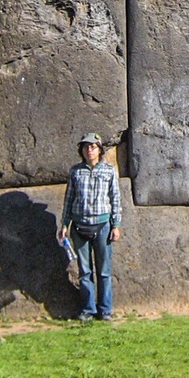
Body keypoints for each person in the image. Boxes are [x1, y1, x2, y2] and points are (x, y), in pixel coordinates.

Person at [59, 132, 122, 321]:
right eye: (86, 147)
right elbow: (69, 198)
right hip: (80, 225)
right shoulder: (76, 171)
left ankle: (105, 310)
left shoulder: (109, 171)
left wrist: (116, 224)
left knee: (104, 271)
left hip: (102, 225)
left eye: (93, 147)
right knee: (85, 271)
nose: (89, 150)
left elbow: (115, 199)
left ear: (100, 150)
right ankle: (88, 309)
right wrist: (65, 224)